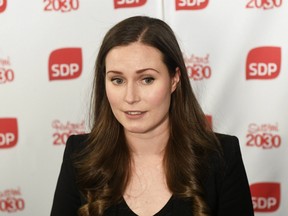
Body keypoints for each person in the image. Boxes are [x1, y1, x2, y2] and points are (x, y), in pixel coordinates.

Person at [50, 16, 254, 216]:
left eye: (147, 79)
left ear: (174, 79)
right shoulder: (79, 154)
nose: (130, 97)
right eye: (118, 80)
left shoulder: (222, 156)